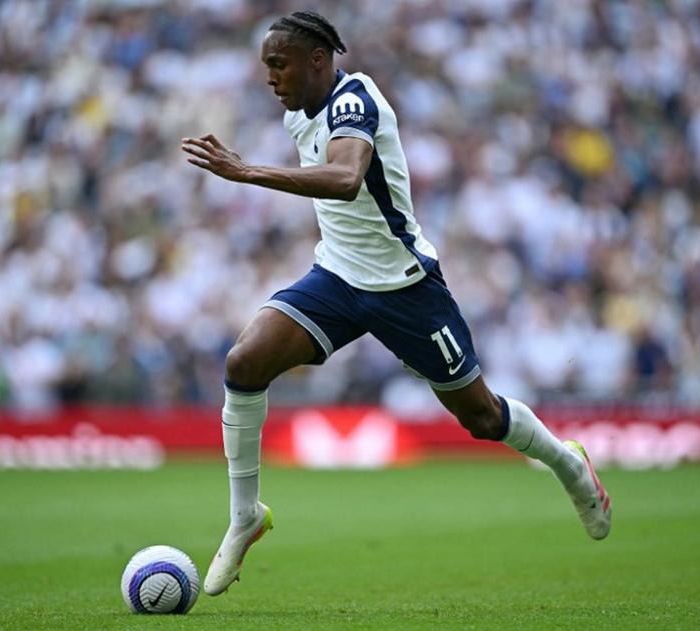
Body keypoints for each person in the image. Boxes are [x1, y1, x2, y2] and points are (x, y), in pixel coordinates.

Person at [181, 11, 611, 597]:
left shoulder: (354, 100)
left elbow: (345, 180)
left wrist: (245, 171)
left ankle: (567, 463)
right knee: (244, 362)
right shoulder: (297, 113)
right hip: (336, 278)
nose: (270, 77)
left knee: (482, 418)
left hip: (404, 287)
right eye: (265, 67)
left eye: (278, 64)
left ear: (317, 60)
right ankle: (245, 516)